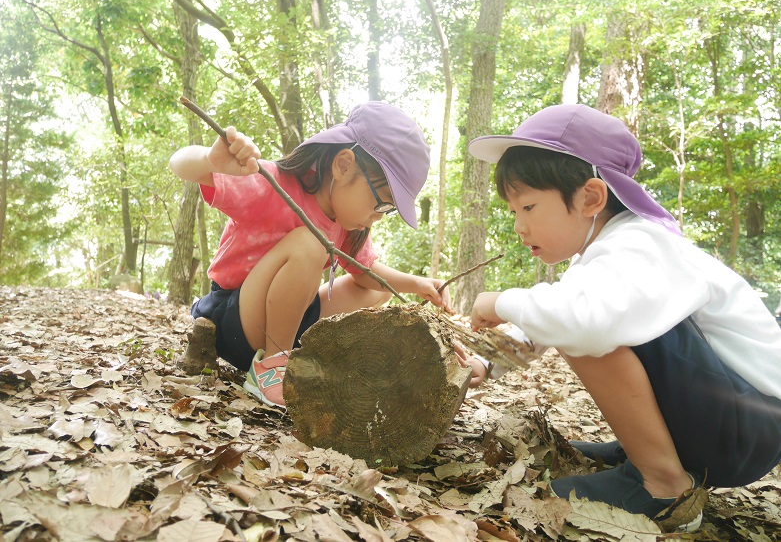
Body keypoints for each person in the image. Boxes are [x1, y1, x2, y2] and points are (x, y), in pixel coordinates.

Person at [467, 104, 781, 531]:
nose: (519, 227)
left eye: (528, 207)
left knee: (587, 324)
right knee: (576, 314)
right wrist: (486, 362)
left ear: (591, 198)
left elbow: (579, 321)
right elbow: (548, 322)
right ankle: (645, 452)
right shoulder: (608, 255)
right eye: (514, 211)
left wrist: (500, 300)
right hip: (734, 422)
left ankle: (663, 484)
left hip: (747, 428)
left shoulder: (640, 244)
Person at [170, 101, 487, 409]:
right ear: (343, 165)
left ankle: (298, 357)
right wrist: (211, 160)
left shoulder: (347, 224)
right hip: (236, 318)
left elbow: (367, 272)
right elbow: (181, 164)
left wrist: (419, 285)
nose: (378, 216)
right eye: (382, 203)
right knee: (310, 243)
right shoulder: (273, 183)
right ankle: (273, 369)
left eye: (387, 211)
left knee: (374, 292)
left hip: (289, 323)